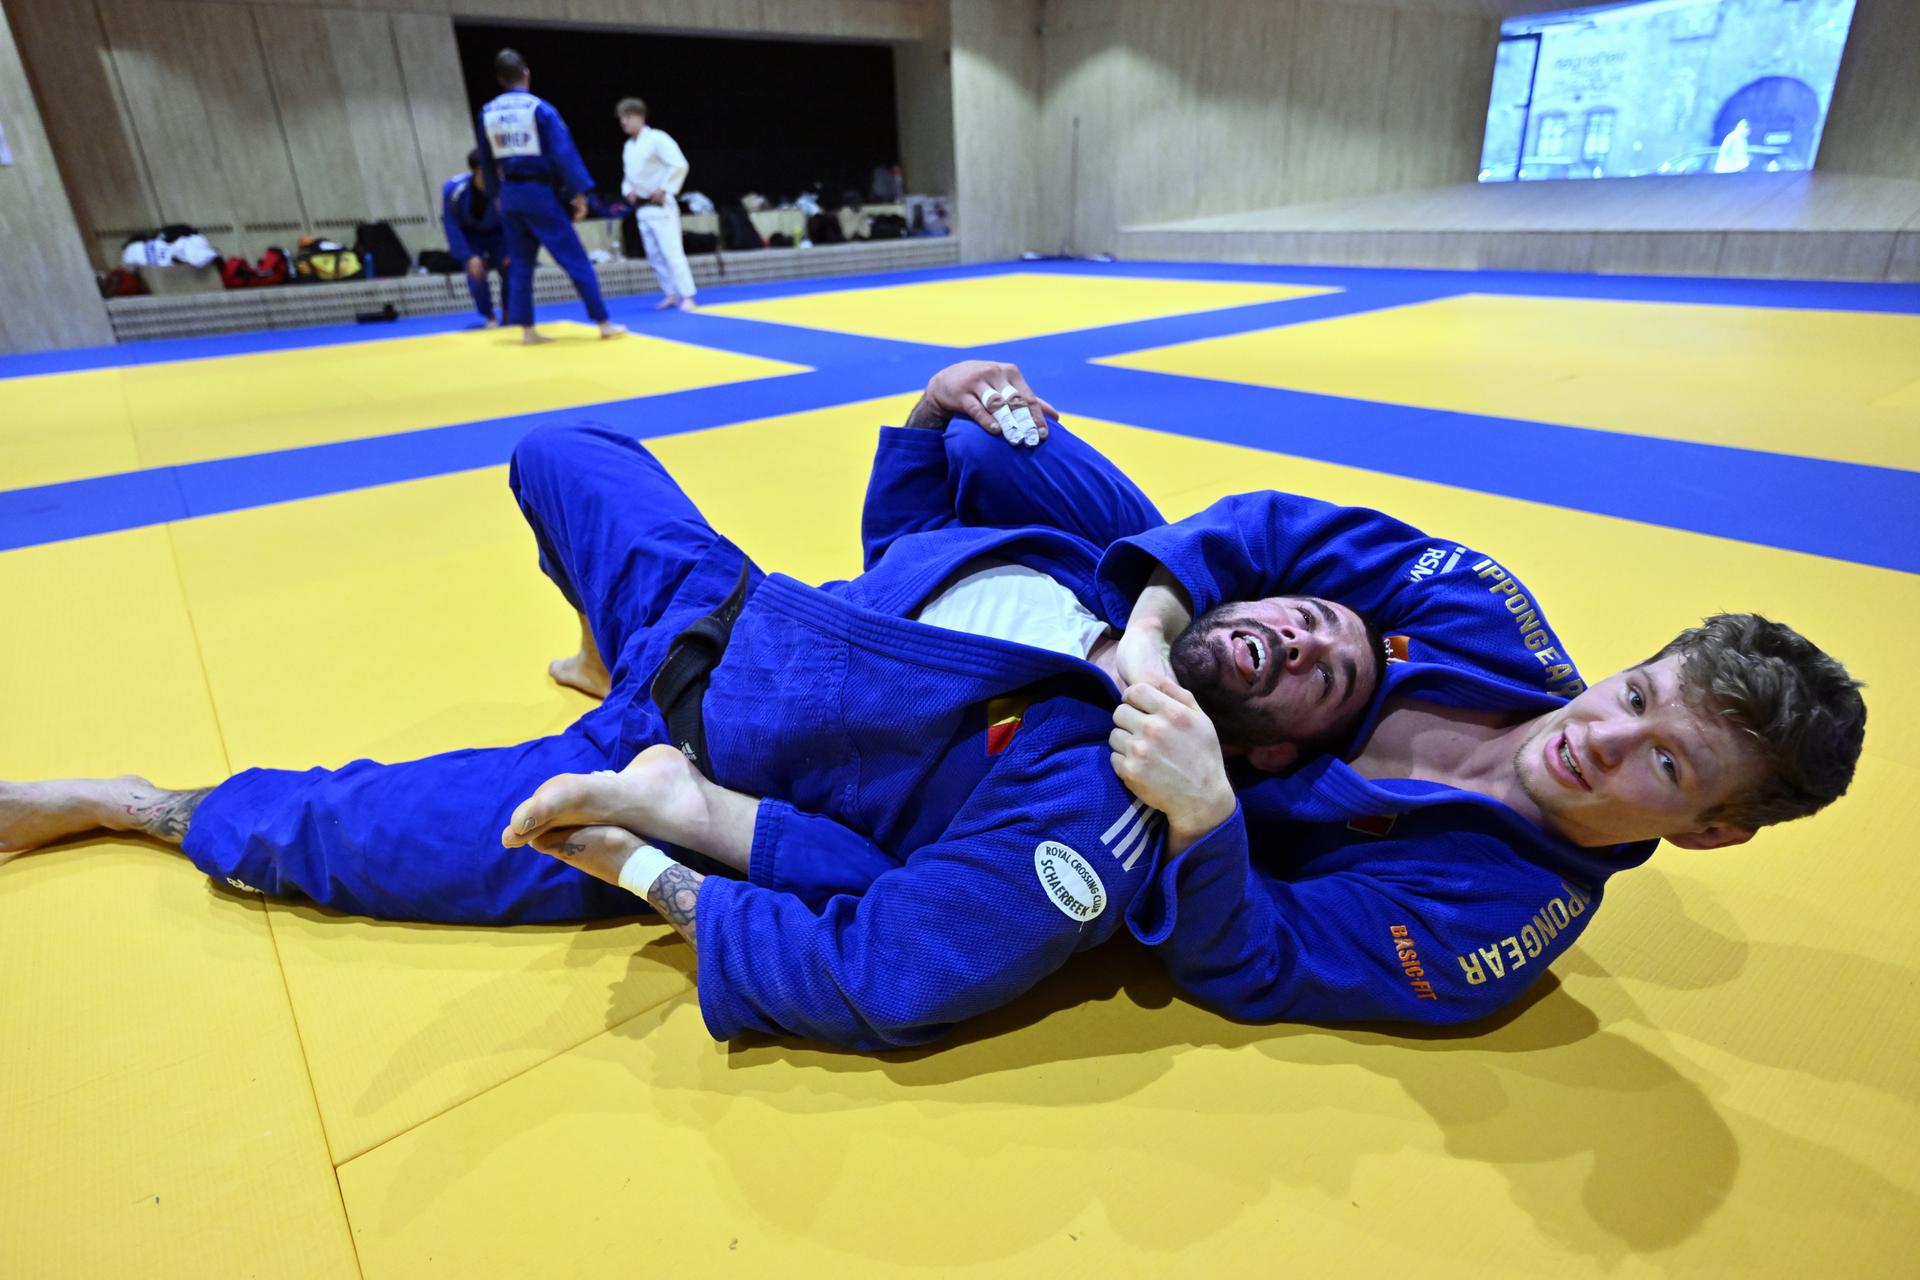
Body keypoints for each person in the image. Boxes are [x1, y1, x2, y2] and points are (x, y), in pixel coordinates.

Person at [0, 361, 1384, 1051]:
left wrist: (660, 855)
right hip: (716, 608)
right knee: (563, 448)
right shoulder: (1112, 565)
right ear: (1247, 597)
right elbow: (894, 543)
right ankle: (597, 639)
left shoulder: (1112, 797)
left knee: (349, 838)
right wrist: (920, 411)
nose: (1295, 644)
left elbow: (889, 970)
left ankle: (131, 807)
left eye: (1322, 682)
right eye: (1304, 619)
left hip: (687, 762)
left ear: (1265, 749)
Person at [510, 416, 1866, 1032]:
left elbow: (1256, 962)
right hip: (1169, 653)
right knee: (1010, 441)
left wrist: (1208, 812)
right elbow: (1279, 530)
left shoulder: (1489, 926)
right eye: (1634, 696)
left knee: (946, 872)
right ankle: (876, 555)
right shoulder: (1492, 620)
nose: (1602, 738)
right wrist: (1152, 634)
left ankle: (713, 789)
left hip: (1121, 767)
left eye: (1665, 764)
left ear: (1714, 830)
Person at [476, 48, 625, 344]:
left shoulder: (487, 112)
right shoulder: (540, 109)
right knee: (574, 257)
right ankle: (603, 320)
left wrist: (496, 196)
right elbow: (563, 153)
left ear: (499, 79)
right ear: (526, 74)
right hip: (537, 192)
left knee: (520, 263)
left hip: (510, 195)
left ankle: (527, 330)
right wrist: (578, 193)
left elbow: (485, 159)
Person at [616, 97, 697, 312]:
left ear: (640, 117)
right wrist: (628, 191)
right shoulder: (628, 146)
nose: (623, 121)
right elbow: (628, 176)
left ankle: (687, 295)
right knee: (654, 256)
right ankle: (670, 293)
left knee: (672, 253)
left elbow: (679, 164)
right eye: (621, 118)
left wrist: (664, 188)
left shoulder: (657, 139)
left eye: (627, 117)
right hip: (642, 209)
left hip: (662, 207)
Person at [441, 149, 510, 328]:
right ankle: (489, 315)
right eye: (485, 172)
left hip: (500, 234)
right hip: (471, 236)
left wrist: (514, 248)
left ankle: (510, 313)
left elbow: (515, 220)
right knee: (476, 274)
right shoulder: (453, 190)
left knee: (514, 266)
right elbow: (452, 226)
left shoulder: (506, 186)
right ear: (475, 172)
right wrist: (468, 256)